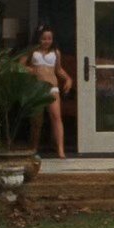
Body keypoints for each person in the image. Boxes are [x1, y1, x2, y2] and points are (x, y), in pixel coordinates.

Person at [21, 25, 73, 158]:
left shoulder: (56, 52)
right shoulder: (32, 51)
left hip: (52, 87)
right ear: (38, 38)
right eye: (44, 38)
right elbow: (20, 65)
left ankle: (60, 149)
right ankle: (33, 147)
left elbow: (58, 69)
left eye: (49, 38)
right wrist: (31, 69)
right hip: (37, 87)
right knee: (37, 120)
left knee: (56, 117)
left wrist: (67, 78)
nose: (46, 41)